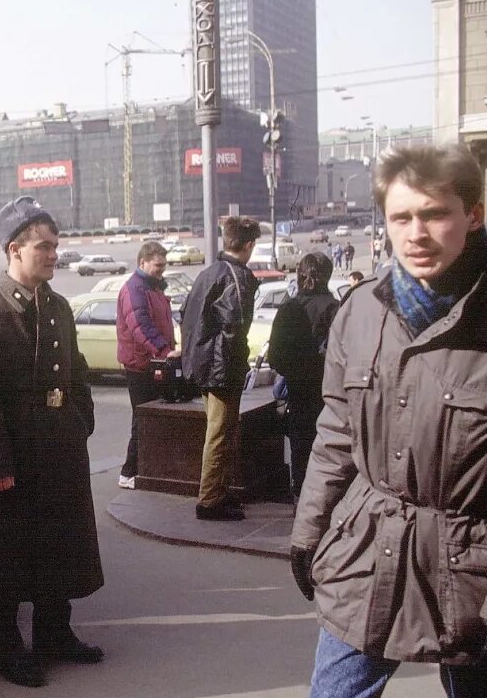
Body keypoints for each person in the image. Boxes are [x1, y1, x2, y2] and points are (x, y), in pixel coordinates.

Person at [287, 145, 487, 698]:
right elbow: (336, 433)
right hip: (367, 555)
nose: (416, 233)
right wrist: (309, 532)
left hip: (470, 571)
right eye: (401, 215)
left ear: (472, 216)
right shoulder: (361, 311)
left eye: (435, 214)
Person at [0, 196, 104, 688]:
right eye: (44, 246)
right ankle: (5, 646)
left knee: (58, 543)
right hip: (13, 457)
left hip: (59, 451)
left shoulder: (56, 306)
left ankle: (54, 633)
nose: (54, 254)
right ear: (15, 250)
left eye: (56, 246)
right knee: (7, 554)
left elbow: (76, 372)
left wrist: (81, 418)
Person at [179, 215, 260, 521]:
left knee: (219, 432)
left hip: (203, 365)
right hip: (222, 369)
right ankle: (210, 500)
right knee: (220, 434)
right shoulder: (236, 276)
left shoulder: (208, 272)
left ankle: (218, 492)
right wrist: (237, 366)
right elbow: (235, 327)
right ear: (249, 244)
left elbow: (186, 314)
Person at [266, 252, 338, 502]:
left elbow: (275, 355)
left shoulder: (289, 308)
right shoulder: (336, 308)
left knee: (301, 448)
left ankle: (302, 499)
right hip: (330, 392)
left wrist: (295, 370)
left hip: (298, 389)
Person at [115, 240, 178, 490]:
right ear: (143, 262)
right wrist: (165, 351)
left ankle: (148, 470)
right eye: (158, 265)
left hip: (153, 363)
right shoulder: (135, 289)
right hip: (141, 365)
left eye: (164, 265)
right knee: (142, 419)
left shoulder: (152, 287)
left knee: (153, 418)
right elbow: (141, 325)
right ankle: (129, 472)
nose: (161, 270)